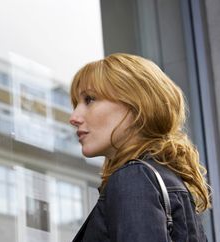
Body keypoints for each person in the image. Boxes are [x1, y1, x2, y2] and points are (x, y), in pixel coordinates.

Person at [68, 53, 211, 242]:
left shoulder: (134, 178)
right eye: (76, 104)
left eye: (89, 100)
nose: (74, 117)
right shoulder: (162, 178)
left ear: (136, 105)